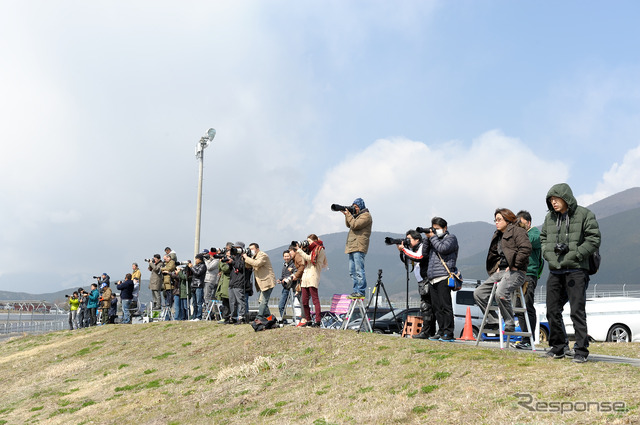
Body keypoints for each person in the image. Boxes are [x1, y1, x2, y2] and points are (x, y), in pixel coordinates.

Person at [541, 183, 600, 363]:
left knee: (577, 311)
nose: (553, 203)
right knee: (551, 309)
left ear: (566, 198)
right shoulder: (549, 218)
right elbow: (544, 239)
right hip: (556, 270)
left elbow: (594, 238)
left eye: (556, 199)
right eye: (551, 200)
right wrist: (550, 255)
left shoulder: (584, 214)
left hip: (577, 270)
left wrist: (575, 254)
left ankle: (581, 350)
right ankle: (558, 347)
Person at [474, 208, 531, 334]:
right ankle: (493, 321)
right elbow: (495, 254)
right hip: (501, 272)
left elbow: (526, 249)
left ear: (508, 219)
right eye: (495, 220)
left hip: (517, 272)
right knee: (478, 293)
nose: (496, 222)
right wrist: (498, 266)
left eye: (499, 219)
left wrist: (514, 265)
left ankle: (509, 322)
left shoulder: (518, 231)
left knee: (500, 293)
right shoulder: (498, 234)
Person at [397, 230, 435, 339]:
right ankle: (430, 332)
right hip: (421, 282)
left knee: (426, 307)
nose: (407, 241)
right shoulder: (415, 249)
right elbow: (409, 260)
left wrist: (404, 249)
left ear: (417, 239)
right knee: (427, 307)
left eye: (409, 239)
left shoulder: (423, 246)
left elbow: (417, 257)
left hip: (427, 280)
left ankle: (427, 332)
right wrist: (402, 251)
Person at [513, 210, 543, 349]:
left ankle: (529, 339)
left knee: (527, 305)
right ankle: (524, 337)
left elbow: (532, 242)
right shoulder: (520, 234)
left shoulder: (534, 233)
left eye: (521, 223)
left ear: (528, 222)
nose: (519, 225)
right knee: (519, 307)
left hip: (529, 275)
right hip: (518, 274)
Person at [343, 198, 372, 298]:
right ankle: (355, 290)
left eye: (356, 207)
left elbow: (355, 225)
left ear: (361, 206)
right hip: (352, 246)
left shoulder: (366, 216)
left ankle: (361, 291)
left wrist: (349, 215)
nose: (354, 209)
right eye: (353, 207)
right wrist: (347, 215)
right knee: (352, 271)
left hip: (359, 246)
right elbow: (349, 224)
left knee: (359, 270)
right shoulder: (356, 216)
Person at [296, 234, 328, 327]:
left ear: (314, 241)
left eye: (309, 241)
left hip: (313, 275)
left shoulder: (319, 249)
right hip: (306, 276)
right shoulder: (310, 250)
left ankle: (318, 321)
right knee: (304, 300)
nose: (308, 243)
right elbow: (304, 261)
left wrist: (300, 251)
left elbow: (310, 259)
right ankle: (308, 319)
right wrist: (304, 250)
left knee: (315, 299)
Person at [243, 243, 276, 320]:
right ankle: (270, 318)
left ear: (257, 249)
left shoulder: (263, 255)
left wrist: (246, 257)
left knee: (263, 301)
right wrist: (244, 258)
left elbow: (257, 263)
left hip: (267, 282)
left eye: (252, 249)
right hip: (261, 283)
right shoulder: (254, 257)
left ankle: (259, 317)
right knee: (261, 301)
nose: (250, 250)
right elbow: (248, 266)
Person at [277, 250, 296, 323]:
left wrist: (287, 278)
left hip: (292, 288)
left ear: (290, 256)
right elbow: (283, 276)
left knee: (294, 306)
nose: (286, 258)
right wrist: (280, 280)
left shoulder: (293, 264)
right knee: (281, 305)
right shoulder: (284, 265)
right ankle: (283, 320)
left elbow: (295, 274)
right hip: (285, 288)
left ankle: (296, 320)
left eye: (288, 256)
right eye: (285, 256)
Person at [215, 246, 232, 323]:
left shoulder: (231, 261)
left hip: (228, 283)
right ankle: (225, 317)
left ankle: (228, 317)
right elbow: (220, 269)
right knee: (224, 301)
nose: (227, 257)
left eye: (228, 255)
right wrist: (220, 260)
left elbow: (226, 269)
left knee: (228, 301)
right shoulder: (224, 261)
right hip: (223, 283)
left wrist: (222, 262)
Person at [188, 254, 207, 320]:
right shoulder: (196, 266)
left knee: (199, 303)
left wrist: (191, 267)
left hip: (199, 285)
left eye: (196, 259)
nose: (195, 260)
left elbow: (198, 273)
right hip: (193, 285)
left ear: (200, 259)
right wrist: (188, 268)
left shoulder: (203, 266)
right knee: (194, 303)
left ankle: (199, 316)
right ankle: (194, 316)